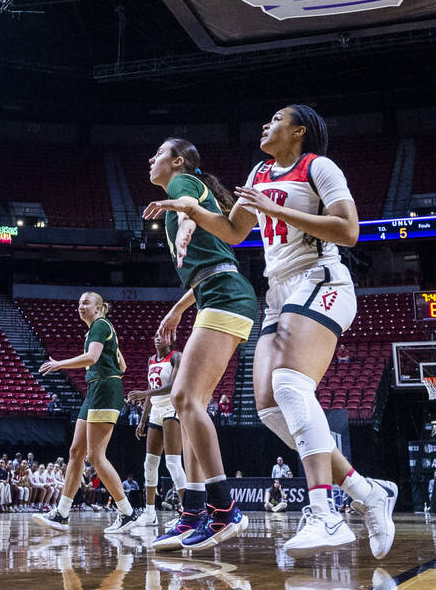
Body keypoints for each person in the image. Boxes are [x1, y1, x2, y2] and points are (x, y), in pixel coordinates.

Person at [146, 108, 397, 559]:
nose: (265, 124)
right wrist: (192, 209)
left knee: (289, 384)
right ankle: (367, 492)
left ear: (298, 131)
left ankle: (325, 511)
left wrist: (276, 208)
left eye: (277, 119)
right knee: (269, 409)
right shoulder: (259, 171)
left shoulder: (318, 166)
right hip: (278, 291)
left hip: (322, 279)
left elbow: (350, 231)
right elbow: (233, 229)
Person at [140, 140, 257, 551]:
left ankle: (225, 510)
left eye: (157, 153)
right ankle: (192, 514)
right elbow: (213, 261)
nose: (150, 159)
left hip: (226, 294)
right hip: (216, 291)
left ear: (177, 161)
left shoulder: (181, 183)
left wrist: (186, 221)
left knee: (185, 398)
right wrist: (176, 310)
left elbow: (188, 206)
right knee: (188, 404)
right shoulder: (184, 190)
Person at [35, 292, 141, 534]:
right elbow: (122, 366)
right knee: (76, 452)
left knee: (95, 456)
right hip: (95, 389)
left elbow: (93, 357)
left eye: (85, 302)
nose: (80, 306)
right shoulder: (99, 328)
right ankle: (61, 513)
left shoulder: (100, 325)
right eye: (79, 302)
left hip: (105, 388)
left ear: (99, 308)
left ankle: (128, 512)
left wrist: (60, 363)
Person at [126, 333, 185, 529]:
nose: (157, 338)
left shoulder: (176, 356)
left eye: (163, 335)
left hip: (171, 407)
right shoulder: (151, 360)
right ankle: (150, 513)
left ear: (171, 340)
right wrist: (142, 420)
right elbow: (152, 391)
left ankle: (187, 512)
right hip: (155, 411)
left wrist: (144, 393)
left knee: (173, 463)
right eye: (156, 335)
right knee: (149, 464)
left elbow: (172, 387)